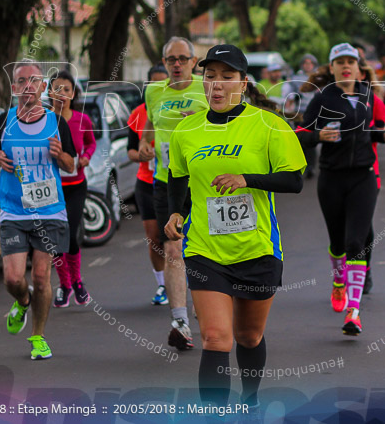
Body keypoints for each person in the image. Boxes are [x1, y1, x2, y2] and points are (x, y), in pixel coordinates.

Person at [163, 44, 305, 409]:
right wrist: (176, 212)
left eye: (227, 77)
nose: (218, 86)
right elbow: (177, 176)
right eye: (210, 77)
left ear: (244, 82)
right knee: (215, 337)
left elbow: (294, 180)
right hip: (205, 249)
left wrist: (247, 179)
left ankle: (251, 402)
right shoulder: (186, 129)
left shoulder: (269, 125)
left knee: (249, 336)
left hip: (257, 248)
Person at [296, 43, 385, 336]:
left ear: (358, 67)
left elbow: (379, 128)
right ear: (331, 68)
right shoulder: (322, 99)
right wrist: (318, 135)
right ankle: (338, 281)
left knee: (357, 242)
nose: (345, 66)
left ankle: (353, 312)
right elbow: (301, 135)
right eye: (339, 62)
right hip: (331, 177)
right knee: (338, 243)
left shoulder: (369, 96)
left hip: (364, 176)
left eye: (350, 62)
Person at [0, 60, 76, 360]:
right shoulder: (4, 121)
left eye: (34, 80)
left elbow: (70, 165)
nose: (28, 85)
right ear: (14, 88)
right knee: (13, 279)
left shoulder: (57, 122)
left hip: (50, 211)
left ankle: (38, 337)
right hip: (14, 210)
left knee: (41, 277)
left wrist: (60, 154)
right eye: (22, 80)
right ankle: (22, 301)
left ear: (43, 87)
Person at [139, 37, 209, 350]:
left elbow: (224, 126)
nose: (177, 64)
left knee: (203, 250)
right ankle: (180, 321)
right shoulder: (153, 91)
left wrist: (198, 126)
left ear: (194, 62)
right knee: (173, 248)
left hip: (204, 182)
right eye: (171, 60)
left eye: (183, 58)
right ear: (164, 62)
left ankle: (205, 307)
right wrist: (144, 143)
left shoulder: (207, 89)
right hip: (167, 180)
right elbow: (150, 126)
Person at [48, 70, 96, 308]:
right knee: (56, 238)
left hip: (76, 185)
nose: (62, 94)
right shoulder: (44, 120)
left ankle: (77, 281)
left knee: (70, 232)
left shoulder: (81, 119)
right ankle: (64, 285)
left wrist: (86, 157)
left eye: (66, 89)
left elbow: (90, 142)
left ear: (73, 93)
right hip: (52, 188)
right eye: (57, 89)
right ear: (49, 93)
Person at [127, 64, 169, 304]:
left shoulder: (183, 108)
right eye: (154, 84)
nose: (159, 88)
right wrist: (140, 156)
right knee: (155, 238)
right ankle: (163, 285)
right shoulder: (138, 114)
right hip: (147, 182)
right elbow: (130, 151)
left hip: (177, 181)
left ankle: (192, 282)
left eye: (164, 83)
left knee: (182, 238)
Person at [357, 59, 385, 295]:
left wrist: (382, 134)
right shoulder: (327, 100)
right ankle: (341, 273)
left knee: (362, 226)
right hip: (335, 174)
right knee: (339, 231)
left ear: (361, 75)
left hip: (369, 173)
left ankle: (364, 271)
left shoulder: (373, 100)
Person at [286, 54, 321, 179]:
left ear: (314, 65)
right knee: (300, 140)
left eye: (310, 63)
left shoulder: (319, 78)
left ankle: (311, 167)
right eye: (305, 63)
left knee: (312, 139)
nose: (307, 65)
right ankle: (302, 166)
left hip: (314, 113)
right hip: (300, 113)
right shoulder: (296, 78)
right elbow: (290, 93)